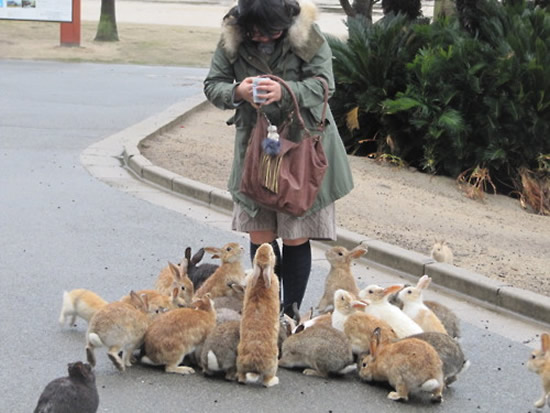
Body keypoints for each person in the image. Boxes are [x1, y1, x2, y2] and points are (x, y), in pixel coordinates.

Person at [203, 0, 354, 318]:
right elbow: (212, 84)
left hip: (300, 149)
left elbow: (325, 84)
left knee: (296, 233)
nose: (262, 39)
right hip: (254, 149)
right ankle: (265, 309)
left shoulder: (306, 34)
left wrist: (286, 91)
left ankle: (290, 313)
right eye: (254, 33)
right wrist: (238, 92)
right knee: (261, 236)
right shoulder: (233, 36)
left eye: (271, 32)